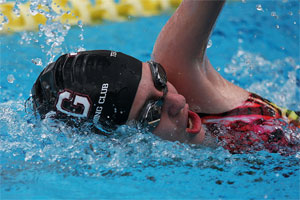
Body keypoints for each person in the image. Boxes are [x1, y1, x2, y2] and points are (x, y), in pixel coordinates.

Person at [31, 0, 299, 154]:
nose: (179, 100)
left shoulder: (182, 72)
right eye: (152, 113)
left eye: (159, 78)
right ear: (123, 142)